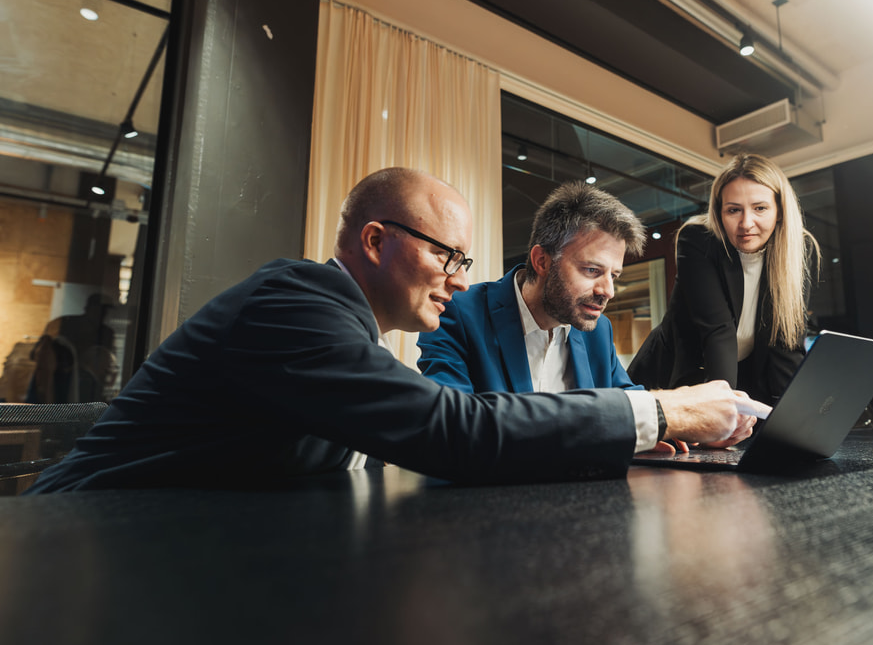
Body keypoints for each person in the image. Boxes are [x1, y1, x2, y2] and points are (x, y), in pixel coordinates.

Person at [26, 167, 767, 493]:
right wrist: (663, 409)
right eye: (444, 254)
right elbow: (447, 428)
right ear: (376, 242)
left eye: (464, 258)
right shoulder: (298, 301)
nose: (457, 275)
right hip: (76, 542)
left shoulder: (346, 328)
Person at [417, 182, 643, 394]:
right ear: (542, 261)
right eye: (592, 270)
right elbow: (454, 420)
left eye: (613, 276)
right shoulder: (457, 313)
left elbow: (629, 402)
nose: (608, 291)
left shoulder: (598, 330)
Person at [628, 154, 819, 404]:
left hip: (742, 380)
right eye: (733, 210)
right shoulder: (698, 240)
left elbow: (786, 342)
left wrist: (794, 415)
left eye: (760, 208)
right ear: (719, 212)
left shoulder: (798, 248)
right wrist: (722, 409)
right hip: (674, 377)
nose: (746, 223)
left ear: (780, 211)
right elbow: (718, 330)